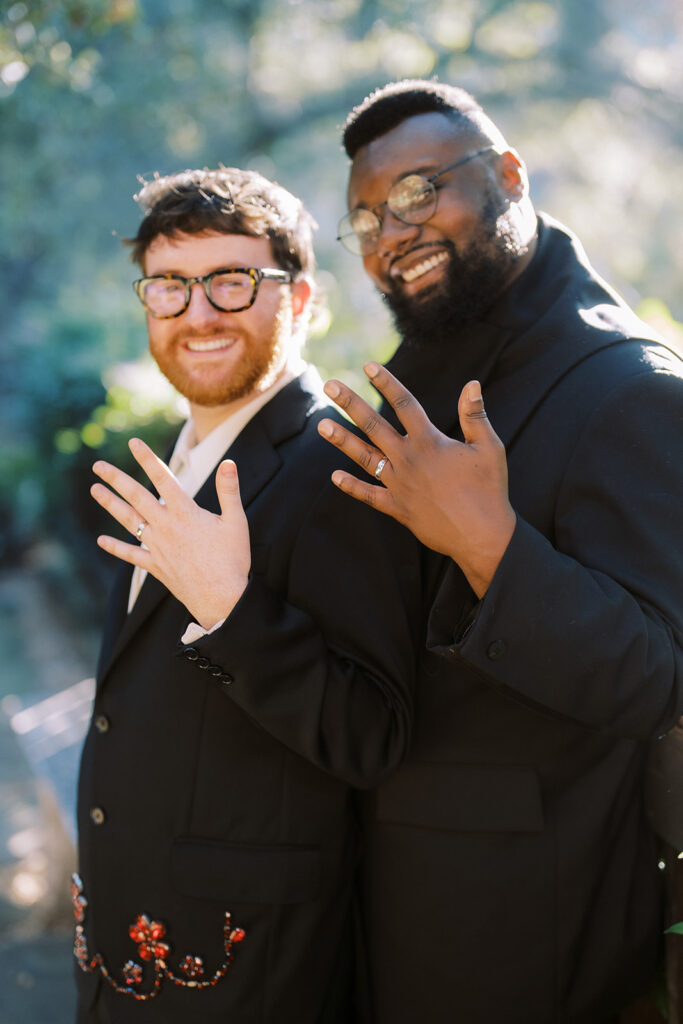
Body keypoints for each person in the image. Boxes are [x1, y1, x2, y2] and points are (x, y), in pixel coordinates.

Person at [317, 79, 683, 1023]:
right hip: (373, 891)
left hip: (517, 933)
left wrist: (492, 549)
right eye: (364, 220)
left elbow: (657, 678)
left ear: (507, 175)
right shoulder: (428, 376)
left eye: (417, 191)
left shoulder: (627, 387)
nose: (389, 233)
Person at [74, 166, 419, 1023]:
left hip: (246, 970)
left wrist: (230, 610)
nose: (197, 314)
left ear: (302, 300)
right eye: (170, 286)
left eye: (231, 282)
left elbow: (370, 735)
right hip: (120, 943)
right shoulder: (173, 453)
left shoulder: (339, 466)